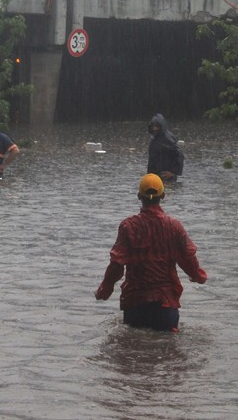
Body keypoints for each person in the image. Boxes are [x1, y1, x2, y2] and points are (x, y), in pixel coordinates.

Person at [95, 173, 207, 332]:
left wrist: (105, 289)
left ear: (139, 196)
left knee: (132, 349)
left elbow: (117, 264)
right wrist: (198, 276)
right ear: (163, 195)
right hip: (165, 304)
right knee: (168, 352)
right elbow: (187, 258)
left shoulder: (128, 227)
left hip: (135, 304)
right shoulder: (174, 226)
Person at [147, 113, 184, 182]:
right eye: (153, 126)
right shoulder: (153, 138)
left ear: (161, 126)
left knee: (168, 191)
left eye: (157, 126)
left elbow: (179, 155)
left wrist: (173, 173)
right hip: (155, 175)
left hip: (167, 176)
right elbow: (151, 159)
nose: (155, 129)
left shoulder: (168, 138)